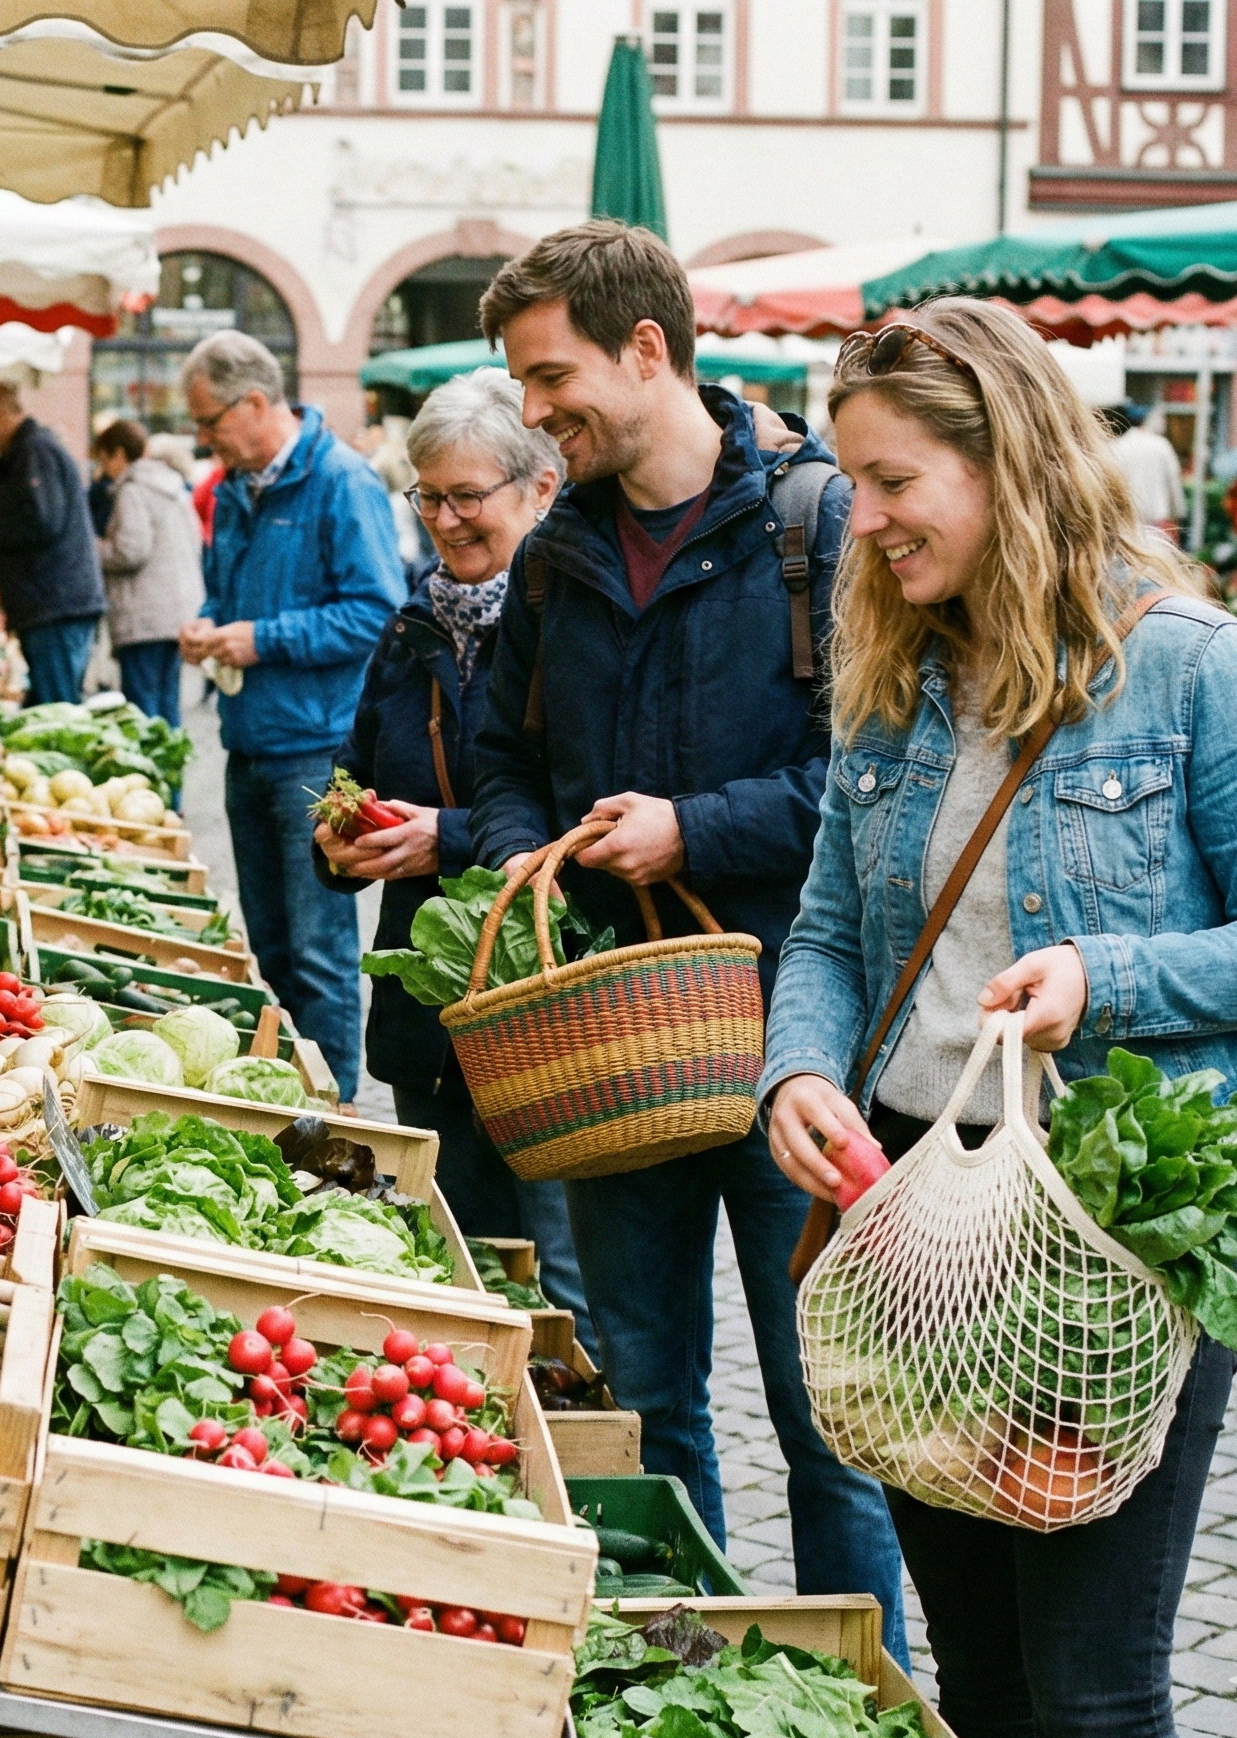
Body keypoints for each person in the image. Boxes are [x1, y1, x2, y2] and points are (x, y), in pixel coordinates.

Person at [763, 299, 1232, 1737]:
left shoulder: (1188, 665)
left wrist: (1113, 977)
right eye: (855, 487)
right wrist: (793, 1067)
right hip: (910, 1198)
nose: (866, 523)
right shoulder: (895, 669)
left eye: (897, 483)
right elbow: (833, 930)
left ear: (1008, 460)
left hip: (1106, 1223)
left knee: (1088, 1689)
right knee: (977, 1668)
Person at [469, 220, 910, 1663]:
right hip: (617, 1045)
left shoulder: (818, 525)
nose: (535, 412)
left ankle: (866, 1687)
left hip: (803, 1038)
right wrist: (523, 850)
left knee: (828, 1415)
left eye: (550, 377)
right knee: (651, 1397)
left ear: (645, 351)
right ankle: (690, 1676)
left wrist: (693, 828)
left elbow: (881, 777)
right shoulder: (558, 555)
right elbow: (497, 758)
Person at [309, 370, 595, 1343]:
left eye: (465, 495)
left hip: (544, 1012)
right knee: (455, 1255)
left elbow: (588, 812)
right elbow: (354, 767)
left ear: (540, 488)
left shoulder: (580, 629)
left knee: (559, 1282)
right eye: (426, 494)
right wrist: (340, 839)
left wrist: (449, 834)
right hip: (428, 1009)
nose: (442, 518)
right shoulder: (411, 625)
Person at [177, 328, 406, 1106]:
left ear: (252, 402)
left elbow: (377, 612)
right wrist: (211, 624)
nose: (202, 438)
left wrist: (258, 639)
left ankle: (336, 1111)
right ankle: (286, 1100)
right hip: (249, 743)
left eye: (209, 421)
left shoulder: (342, 482)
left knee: (318, 954)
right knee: (269, 947)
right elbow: (228, 592)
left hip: (317, 751)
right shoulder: (239, 489)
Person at [0, 383, 105, 707]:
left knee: (59, 715)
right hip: (50, 605)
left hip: (54, 606)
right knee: (50, 709)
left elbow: (39, 522)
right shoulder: (30, 450)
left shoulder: (34, 451)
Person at [92, 419, 204, 728]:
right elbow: (195, 540)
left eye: (104, 460)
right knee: (168, 703)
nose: (104, 470)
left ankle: (152, 775)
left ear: (118, 454)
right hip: (178, 612)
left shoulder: (133, 490)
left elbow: (130, 550)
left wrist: (95, 548)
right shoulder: (173, 485)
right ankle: (172, 773)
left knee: (143, 711)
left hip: (144, 616)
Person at [1111, 401, 1186, 540]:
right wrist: (1176, 518)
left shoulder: (1117, 446)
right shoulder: (1161, 445)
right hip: (1159, 525)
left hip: (1126, 526)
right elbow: (1173, 486)